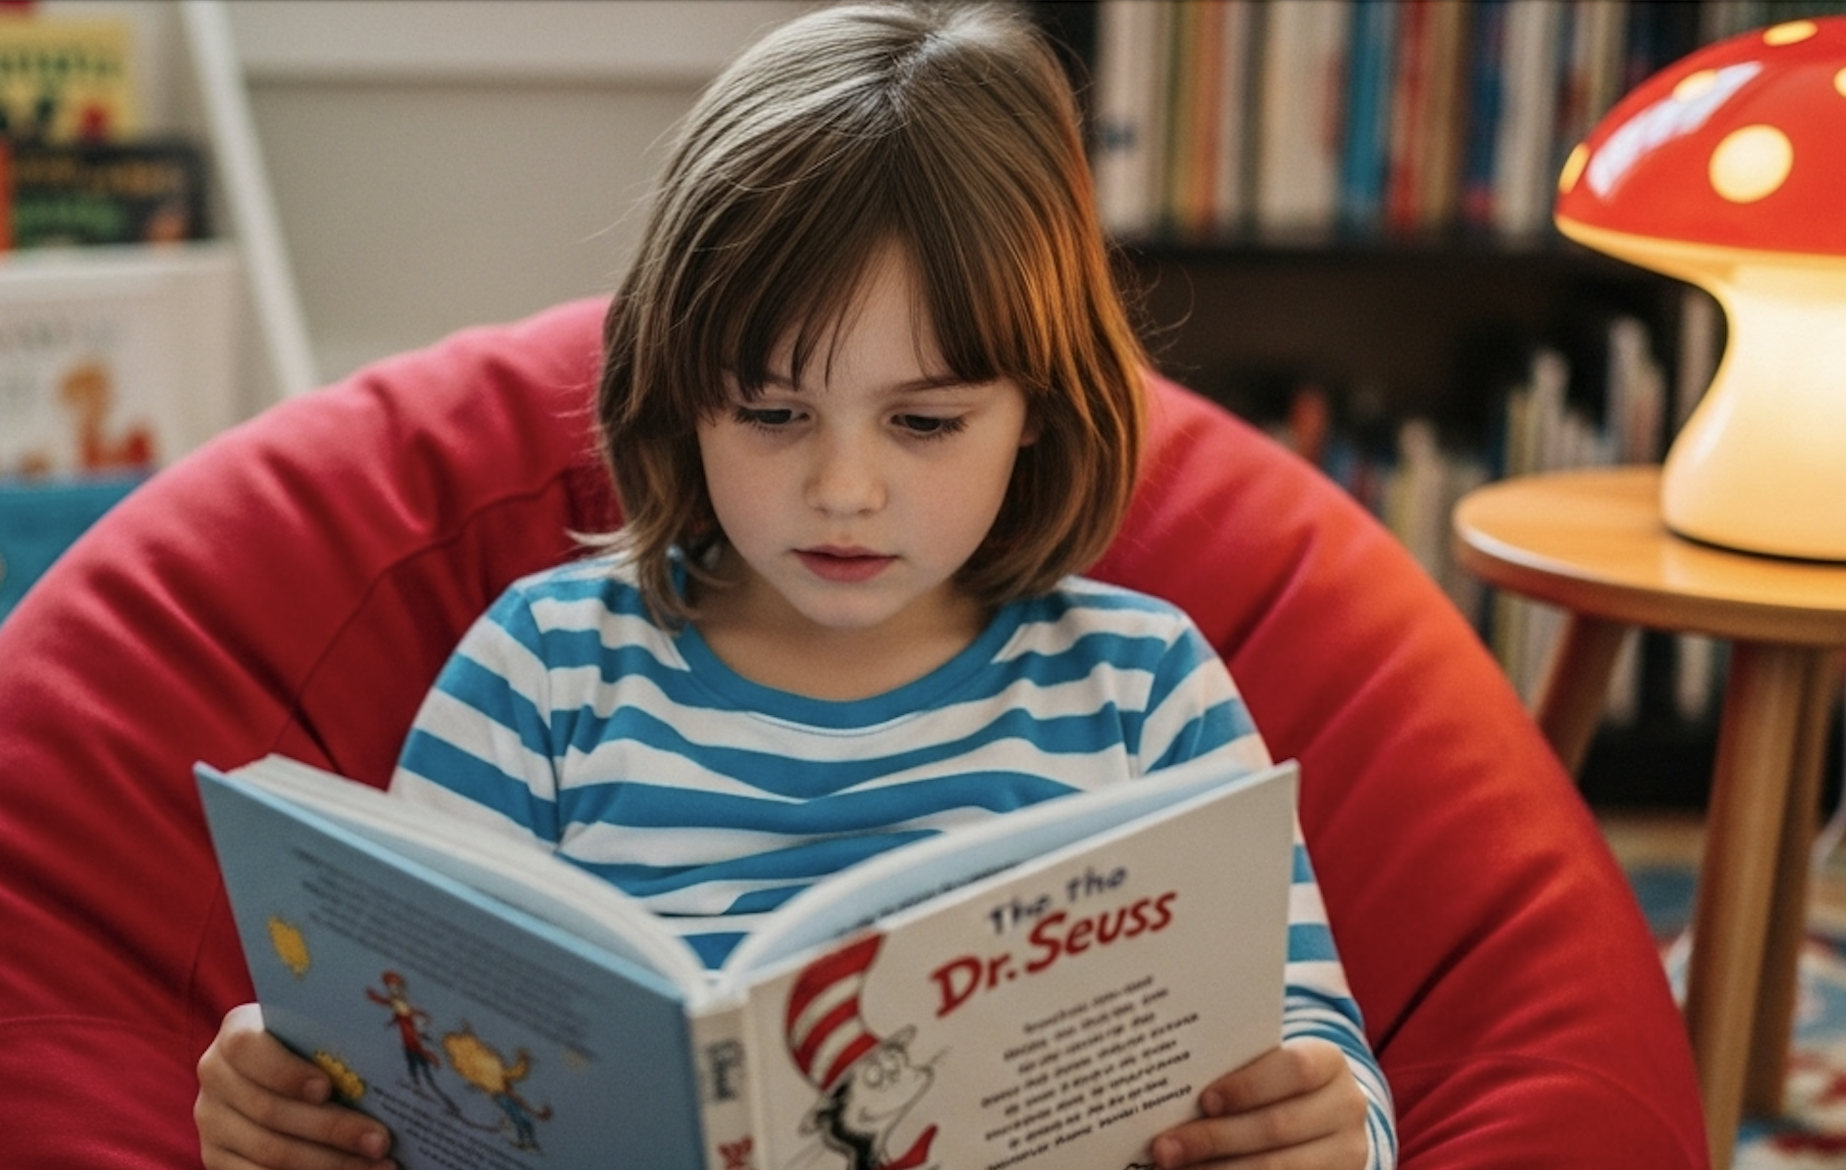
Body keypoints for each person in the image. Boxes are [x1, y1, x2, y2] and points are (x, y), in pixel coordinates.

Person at [194, 4, 1396, 1169]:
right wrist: (290, 1094)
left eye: (924, 421)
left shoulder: (1145, 691)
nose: (844, 489)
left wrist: (1326, 1126)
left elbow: (1305, 1049)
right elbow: (406, 1036)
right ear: (677, 390)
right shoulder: (541, 673)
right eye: (772, 415)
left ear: (1035, 409)